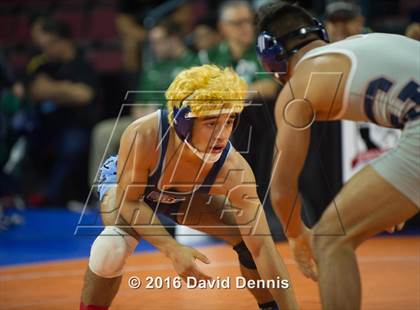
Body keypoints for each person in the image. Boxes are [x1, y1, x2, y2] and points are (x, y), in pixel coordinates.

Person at [80, 65, 298, 310]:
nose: (222, 135)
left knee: (251, 243)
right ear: (183, 122)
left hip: (181, 194)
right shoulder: (144, 134)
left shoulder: (233, 168)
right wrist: (172, 249)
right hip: (131, 190)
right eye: (211, 123)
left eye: (229, 122)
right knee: (111, 248)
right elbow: (129, 201)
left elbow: (264, 249)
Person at [255, 2, 419, 310]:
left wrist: (298, 238)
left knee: (330, 239)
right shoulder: (372, 42)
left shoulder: (298, 88)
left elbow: (282, 189)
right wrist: (399, 190)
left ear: (270, 58)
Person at [89, 19, 199, 185]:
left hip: (175, 123)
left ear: (174, 39)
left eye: (159, 42)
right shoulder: (152, 69)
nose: (154, 48)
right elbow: (138, 104)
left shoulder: (193, 65)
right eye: (152, 43)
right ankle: (101, 191)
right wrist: (141, 115)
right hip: (144, 120)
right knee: (103, 131)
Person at [26, 18, 98, 205]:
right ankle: (28, 194)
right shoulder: (43, 64)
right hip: (47, 123)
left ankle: (52, 197)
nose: (45, 49)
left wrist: (52, 89)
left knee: (71, 144)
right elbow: (36, 90)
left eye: (50, 44)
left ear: (63, 41)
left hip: (78, 124)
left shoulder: (83, 63)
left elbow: (84, 95)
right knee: (27, 137)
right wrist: (65, 89)